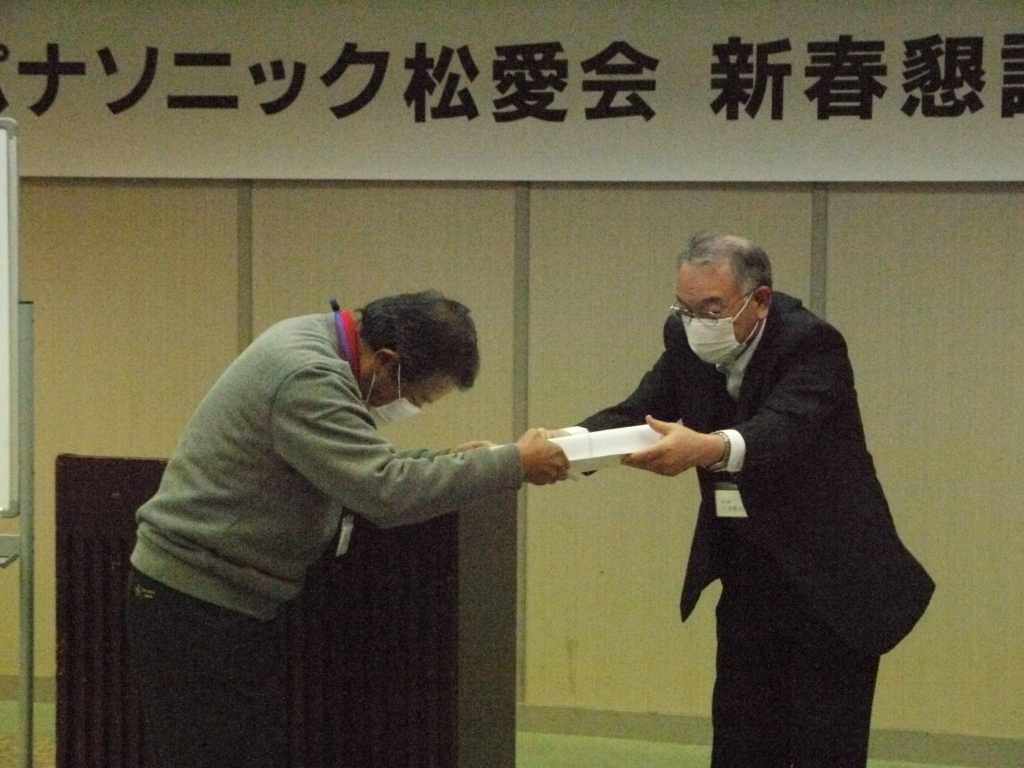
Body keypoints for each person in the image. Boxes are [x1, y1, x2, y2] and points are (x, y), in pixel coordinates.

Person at [124, 289, 569, 768]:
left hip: (215, 599)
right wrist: (512, 464)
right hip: (197, 605)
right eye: (415, 398)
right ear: (386, 361)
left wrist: (454, 463)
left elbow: (357, 466)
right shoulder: (308, 376)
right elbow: (384, 490)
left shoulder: (311, 341)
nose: (408, 408)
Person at [573, 233, 934, 768]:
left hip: (831, 584)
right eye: (684, 309)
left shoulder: (811, 344)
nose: (696, 323)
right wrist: (556, 449)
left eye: (711, 309)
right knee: (740, 742)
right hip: (749, 575)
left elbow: (782, 429)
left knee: (822, 750)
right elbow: (637, 413)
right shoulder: (686, 341)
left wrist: (708, 448)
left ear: (759, 300)